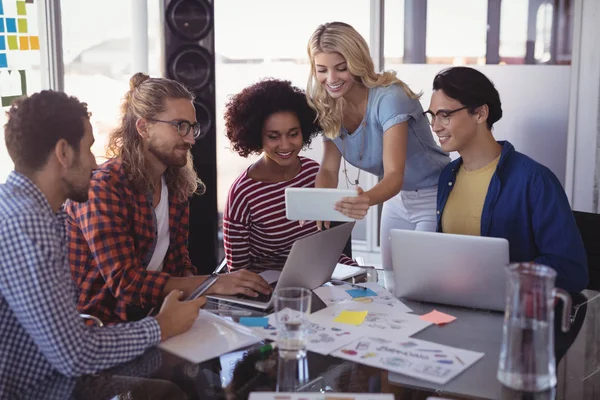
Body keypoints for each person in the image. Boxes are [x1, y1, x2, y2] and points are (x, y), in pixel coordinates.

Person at [0, 90, 205, 398]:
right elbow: (74, 355)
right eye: (89, 149)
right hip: (42, 389)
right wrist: (160, 326)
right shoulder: (28, 227)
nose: (95, 165)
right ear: (63, 153)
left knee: (170, 389)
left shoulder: (33, 210)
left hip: (56, 374)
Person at [65, 73, 271, 325]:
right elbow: (127, 283)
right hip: (105, 328)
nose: (191, 138)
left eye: (192, 127)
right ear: (143, 127)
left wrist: (205, 297)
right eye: (180, 126)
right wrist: (213, 284)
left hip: (155, 316)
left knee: (255, 329)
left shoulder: (174, 181)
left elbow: (177, 261)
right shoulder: (103, 188)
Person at [428, 66, 588, 293]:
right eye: (432, 116)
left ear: (480, 114)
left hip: (507, 316)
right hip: (456, 305)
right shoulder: (448, 176)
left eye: (445, 115)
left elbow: (572, 270)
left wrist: (499, 276)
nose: (435, 126)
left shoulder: (535, 180)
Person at [306, 22, 450, 271]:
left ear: (357, 61)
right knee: (392, 279)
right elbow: (329, 169)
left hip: (434, 195)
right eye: (322, 70)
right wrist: (319, 204)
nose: (331, 80)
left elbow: (394, 174)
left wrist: (363, 201)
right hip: (396, 199)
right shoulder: (329, 106)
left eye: (341, 68)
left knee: (422, 281)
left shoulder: (390, 98)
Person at [223, 78, 356, 271]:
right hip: (272, 286)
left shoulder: (314, 173)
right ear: (257, 137)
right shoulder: (242, 193)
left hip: (319, 272)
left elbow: (326, 244)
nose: (285, 145)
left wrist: (353, 270)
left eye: (293, 134)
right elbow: (238, 272)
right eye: (273, 136)